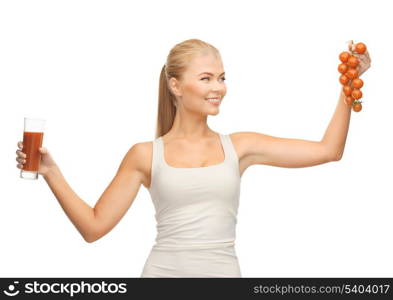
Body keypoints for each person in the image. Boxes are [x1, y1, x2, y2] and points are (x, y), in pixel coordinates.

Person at [15, 38, 371, 277]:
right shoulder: (145, 155)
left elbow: (328, 151)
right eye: (205, 78)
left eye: (221, 77)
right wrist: (51, 172)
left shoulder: (240, 146)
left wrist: (348, 85)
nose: (218, 88)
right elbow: (93, 228)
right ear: (175, 85)